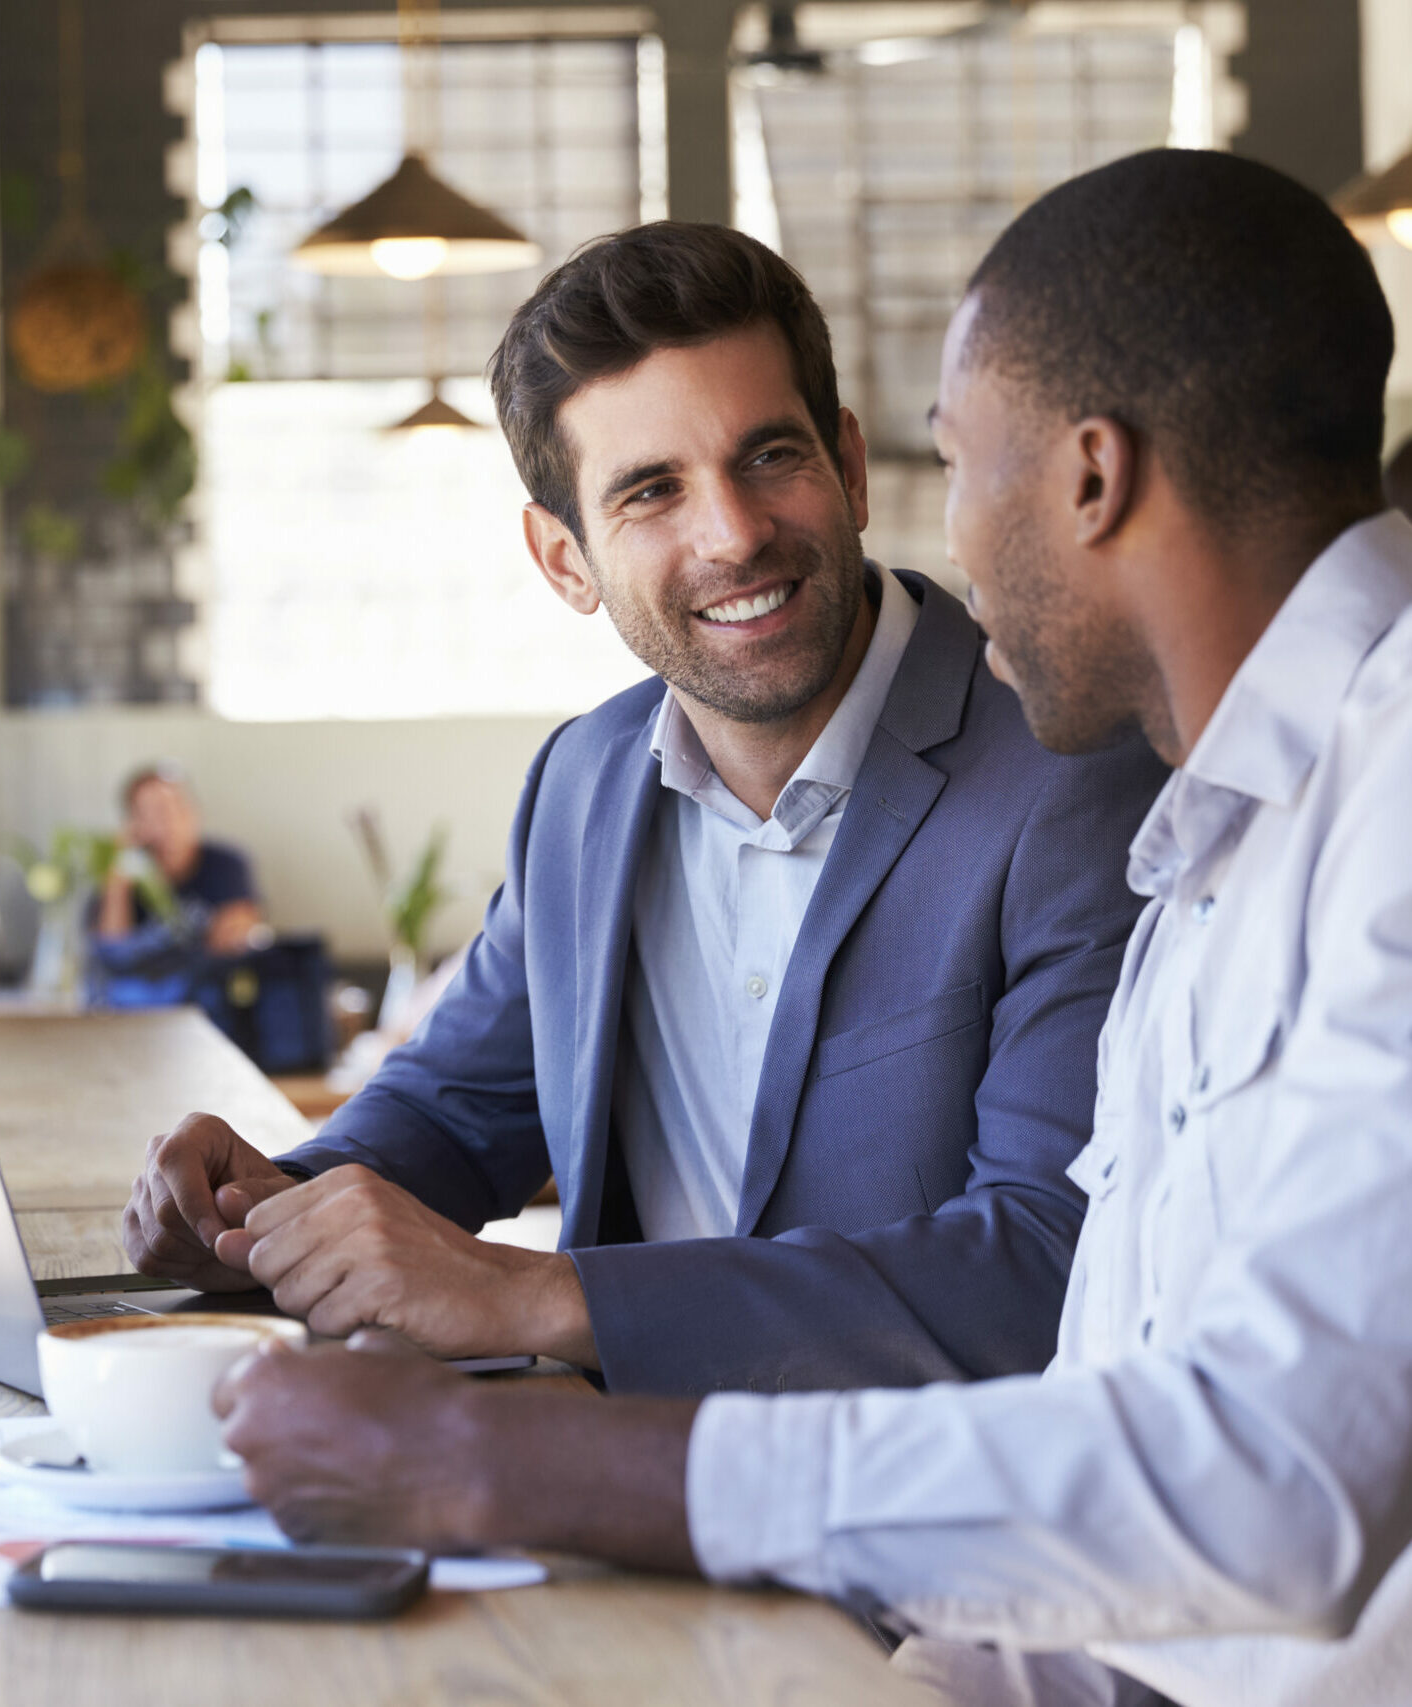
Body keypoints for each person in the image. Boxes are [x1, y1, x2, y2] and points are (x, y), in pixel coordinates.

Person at [210, 150, 1412, 1705]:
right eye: (647, 487)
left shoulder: (1312, 805)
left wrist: (537, 1458)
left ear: (1087, 476)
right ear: (564, 549)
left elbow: (1258, 1485)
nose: (954, 540)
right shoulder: (1222, 819)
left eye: (953, 460)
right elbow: (1123, 1452)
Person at [126, 224, 1164, 1396]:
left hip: (918, 1522)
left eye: (769, 456)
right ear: (565, 559)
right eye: (651, 491)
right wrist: (254, 1211)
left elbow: (1047, 1263)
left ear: (852, 470)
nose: (732, 532)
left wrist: (534, 1295)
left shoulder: (1067, 772)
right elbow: (459, 1116)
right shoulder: (583, 780)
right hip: (613, 1510)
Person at [89, 764, 268, 990]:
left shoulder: (226, 864)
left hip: (208, 997)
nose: (172, 820)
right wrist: (118, 878)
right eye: (157, 812)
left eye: (179, 806)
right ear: (135, 825)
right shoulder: (125, 876)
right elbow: (112, 952)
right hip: (144, 1005)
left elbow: (235, 937)